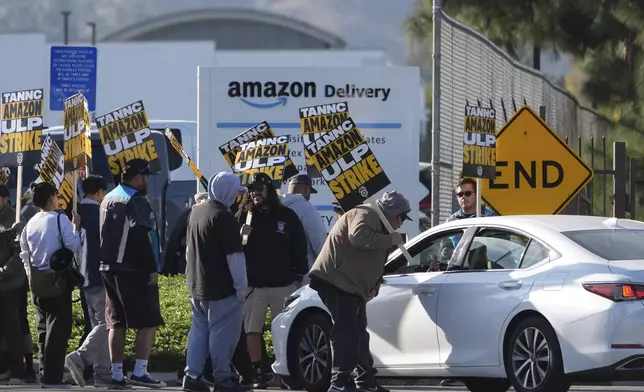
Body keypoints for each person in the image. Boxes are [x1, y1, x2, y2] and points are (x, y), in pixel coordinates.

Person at [309, 191, 411, 392]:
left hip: (350, 286)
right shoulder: (366, 214)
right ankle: (338, 383)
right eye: (402, 217)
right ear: (393, 213)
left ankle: (366, 381)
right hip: (337, 282)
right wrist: (390, 240)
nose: (402, 223)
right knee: (346, 333)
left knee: (359, 335)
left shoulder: (378, 222)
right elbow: (358, 236)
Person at [235, 173, 308, 389]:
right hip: (253, 286)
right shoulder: (243, 215)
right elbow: (230, 250)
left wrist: (298, 279)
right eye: (252, 189)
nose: (255, 192)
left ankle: (285, 373)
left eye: (259, 188)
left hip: (283, 285)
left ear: (270, 189)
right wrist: (239, 236)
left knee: (284, 330)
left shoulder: (287, 216)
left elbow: (299, 248)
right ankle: (259, 373)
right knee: (252, 331)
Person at [98, 158, 166, 389]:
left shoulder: (108, 197)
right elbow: (140, 236)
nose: (147, 181)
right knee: (149, 322)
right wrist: (151, 269)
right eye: (146, 176)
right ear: (138, 177)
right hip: (131, 269)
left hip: (108, 268)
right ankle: (140, 371)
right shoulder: (136, 199)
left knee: (116, 323)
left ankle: (117, 376)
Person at [183, 172, 251, 392]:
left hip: (197, 286)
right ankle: (223, 380)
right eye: (235, 193)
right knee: (222, 336)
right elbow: (235, 257)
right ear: (228, 192)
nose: (237, 198)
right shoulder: (224, 217)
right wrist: (241, 289)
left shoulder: (196, 212)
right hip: (222, 289)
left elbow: (188, 251)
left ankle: (191, 377)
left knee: (199, 333)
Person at [19, 182, 82, 388]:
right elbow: (73, 245)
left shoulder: (30, 223)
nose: (58, 199)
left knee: (42, 329)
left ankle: (45, 372)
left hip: (37, 283)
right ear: (49, 199)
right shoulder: (59, 219)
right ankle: (53, 377)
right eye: (56, 195)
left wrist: (30, 276)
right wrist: (76, 228)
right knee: (58, 329)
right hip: (58, 282)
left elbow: (24, 253)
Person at [440, 177, 494, 387]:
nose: (463, 198)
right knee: (456, 326)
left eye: (468, 193)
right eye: (459, 194)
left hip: (484, 279)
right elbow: (443, 249)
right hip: (458, 278)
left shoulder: (488, 216)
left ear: (477, 194)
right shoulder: (452, 221)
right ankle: (455, 369)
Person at [65, 175, 112, 388]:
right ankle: (80, 358)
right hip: (99, 274)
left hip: (82, 277)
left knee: (98, 325)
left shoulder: (75, 213)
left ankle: (102, 374)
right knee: (107, 324)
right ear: (100, 192)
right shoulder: (100, 213)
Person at [281, 174, 326, 276]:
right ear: (306, 188)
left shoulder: (274, 206)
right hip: (301, 275)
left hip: (277, 272)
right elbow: (320, 244)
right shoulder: (307, 209)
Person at [0, 221, 27, 384]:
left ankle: (17, 370)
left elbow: (15, 262)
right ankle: (4, 367)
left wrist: (4, 271)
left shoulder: (8, 237)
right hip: (8, 284)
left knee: (11, 328)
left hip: (10, 287)